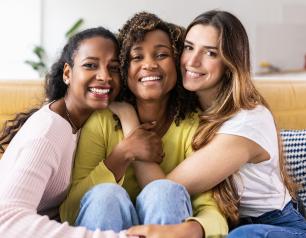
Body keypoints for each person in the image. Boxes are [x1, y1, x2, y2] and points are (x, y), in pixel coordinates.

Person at [122, 10, 306, 238]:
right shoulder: (187, 108)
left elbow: (164, 189)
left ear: (230, 63)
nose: (192, 61)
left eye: (210, 53)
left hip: (275, 225)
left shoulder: (247, 121)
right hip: (225, 224)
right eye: (189, 47)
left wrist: (129, 121)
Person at [60, 12, 228, 238]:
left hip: (167, 227)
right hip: (105, 226)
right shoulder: (101, 121)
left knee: (164, 191)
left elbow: (213, 211)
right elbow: (69, 210)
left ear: (177, 63)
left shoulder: (194, 126)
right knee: (105, 196)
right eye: (137, 57)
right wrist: (121, 154)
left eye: (161, 54)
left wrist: (192, 228)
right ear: (123, 68)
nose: (149, 64)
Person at [0, 27, 129, 238]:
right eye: (90, 65)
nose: (105, 76)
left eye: (113, 68)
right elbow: (6, 220)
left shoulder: (86, 122)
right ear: (68, 73)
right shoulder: (50, 130)